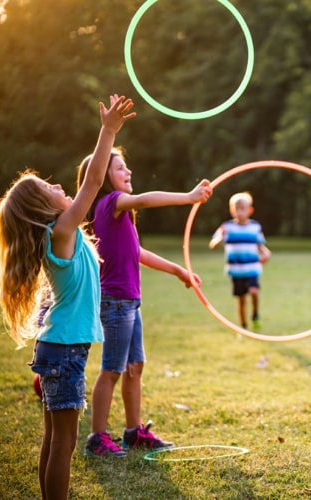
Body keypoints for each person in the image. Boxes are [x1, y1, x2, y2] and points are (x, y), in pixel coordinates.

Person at [0, 95, 135, 499]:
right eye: (50, 186)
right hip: (64, 351)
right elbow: (93, 181)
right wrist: (108, 131)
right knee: (64, 442)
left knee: (54, 438)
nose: (60, 185)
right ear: (45, 207)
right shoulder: (60, 232)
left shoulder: (61, 236)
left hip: (58, 348)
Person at [77, 143, 213, 457]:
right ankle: (97, 438)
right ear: (102, 177)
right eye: (120, 168)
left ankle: (133, 432)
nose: (128, 171)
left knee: (135, 366)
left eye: (127, 166)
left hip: (129, 302)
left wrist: (178, 270)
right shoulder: (111, 202)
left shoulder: (119, 216)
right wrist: (189, 197)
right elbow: (144, 198)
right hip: (115, 302)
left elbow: (137, 253)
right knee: (111, 369)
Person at [209, 191, 271, 329]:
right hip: (236, 270)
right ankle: (243, 327)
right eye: (236, 209)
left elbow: (260, 245)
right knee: (241, 299)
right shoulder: (227, 227)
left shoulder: (255, 226)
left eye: (242, 209)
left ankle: (255, 315)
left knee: (254, 292)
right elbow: (213, 245)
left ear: (250, 210)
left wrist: (266, 253)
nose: (239, 212)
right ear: (232, 210)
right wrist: (219, 239)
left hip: (252, 268)